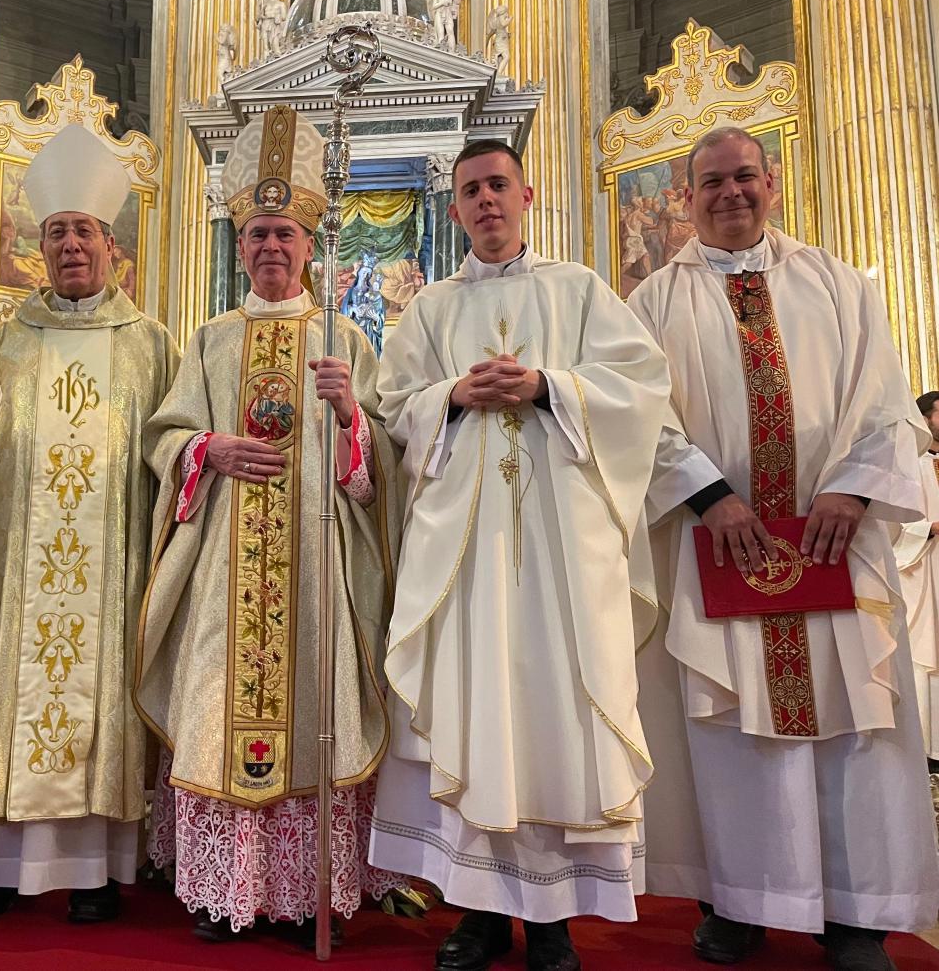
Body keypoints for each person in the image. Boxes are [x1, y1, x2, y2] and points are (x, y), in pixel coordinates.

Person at [628, 126, 939, 971]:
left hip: (837, 539)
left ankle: (857, 915)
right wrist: (710, 495)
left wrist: (851, 486)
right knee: (735, 733)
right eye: (711, 184)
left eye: (744, 178)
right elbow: (638, 418)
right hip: (718, 545)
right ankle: (742, 902)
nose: (730, 194)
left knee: (851, 723)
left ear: (772, 181)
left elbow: (885, 400)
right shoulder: (653, 303)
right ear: (684, 199)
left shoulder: (837, 284)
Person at [370, 138, 671, 971]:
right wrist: (452, 396)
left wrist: (551, 387)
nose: (486, 201)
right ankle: (474, 913)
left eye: (498, 185)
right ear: (457, 207)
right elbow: (392, 408)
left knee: (552, 714)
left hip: (559, 554)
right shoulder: (428, 310)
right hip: (462, 553)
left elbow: (643, 387)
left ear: (527, 193)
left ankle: (551, 920)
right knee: (470, 712)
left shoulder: (579, 290)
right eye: (471, 191)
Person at [136, 104, 402, 943]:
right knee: (223, 700)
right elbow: (166, 436)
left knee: (314, 704)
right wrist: (206, 449)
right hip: (224, 560)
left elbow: (385, 463)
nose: (271, 248)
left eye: (285, 234)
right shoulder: (211, 340)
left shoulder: (346, 341)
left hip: (317, 559)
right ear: (240, 245)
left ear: (306, 243)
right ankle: (232, 890)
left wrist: (352, 417)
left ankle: (300, 891)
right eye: (256, 234)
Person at [0, 126, 179, 923]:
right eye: (57, 232)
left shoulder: (152, 347)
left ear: (113, 247)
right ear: (39, 248)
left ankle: (97, 870)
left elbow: (175, 458)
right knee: (9, 690)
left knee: (100, 697)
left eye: (86, 232)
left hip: (116, 569)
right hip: (14, 565)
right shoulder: (0, 344)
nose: (71, 246)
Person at [893, 389, 939, 771]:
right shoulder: (910, 465)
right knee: (926, 654)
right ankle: (927, 748)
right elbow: (893, 522)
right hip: (923, 569)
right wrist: (928, 528)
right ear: (924, 419)